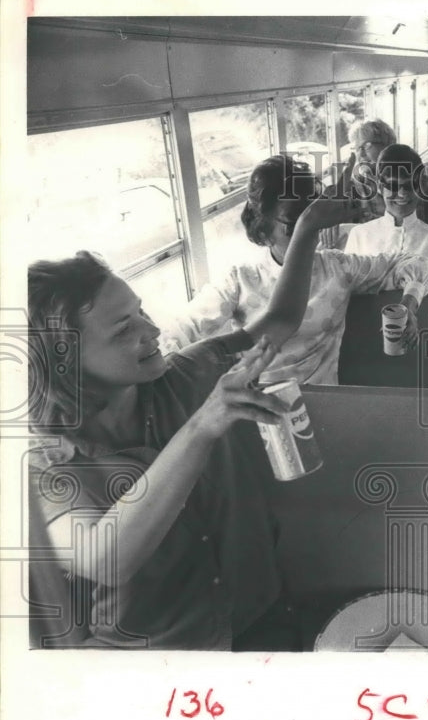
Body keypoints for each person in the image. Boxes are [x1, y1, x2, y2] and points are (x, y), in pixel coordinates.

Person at [27, 191, 346, 650]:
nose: (152, 331)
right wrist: (202, 425)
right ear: (63, 361)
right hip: (157, 658)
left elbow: (278, 319)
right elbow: (105, 558)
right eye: (124, 330)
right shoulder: (43, 462)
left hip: (259, 619)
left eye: (141, 311)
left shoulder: (191, 372)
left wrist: (308, 228)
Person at [160, 155, 428, 385]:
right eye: (297, 223)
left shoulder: (338, 268)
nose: (309, 232)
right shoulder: (240, 279)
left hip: (322, 403)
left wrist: (409, 304)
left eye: (311, 217)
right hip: (258, 406)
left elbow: (418, 262)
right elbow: (182, 328)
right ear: (263, 230)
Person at [344, 143, 428, 279]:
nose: (402, 194)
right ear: (379, 187)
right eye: (393, 185)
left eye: (409, 186)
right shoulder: (358, 236)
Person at [344, 118, 398, 222]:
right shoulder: (354, 186)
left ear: (388, 146)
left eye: (366, 146)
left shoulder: (413, 180)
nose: (361, 154)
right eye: (357, 148)